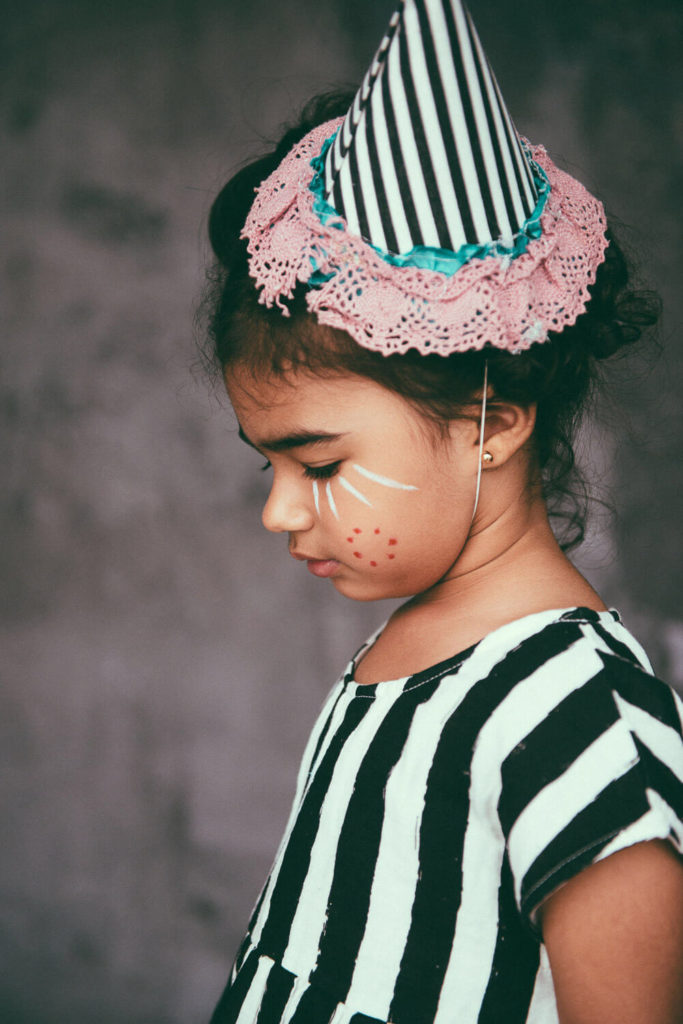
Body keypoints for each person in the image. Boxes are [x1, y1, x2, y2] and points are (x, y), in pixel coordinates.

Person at [200, 2, 683, 1021]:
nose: (280, 511)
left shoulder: (579, 714)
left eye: (317, 462)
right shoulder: (404, 647)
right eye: (266, 467)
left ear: (490, 422)